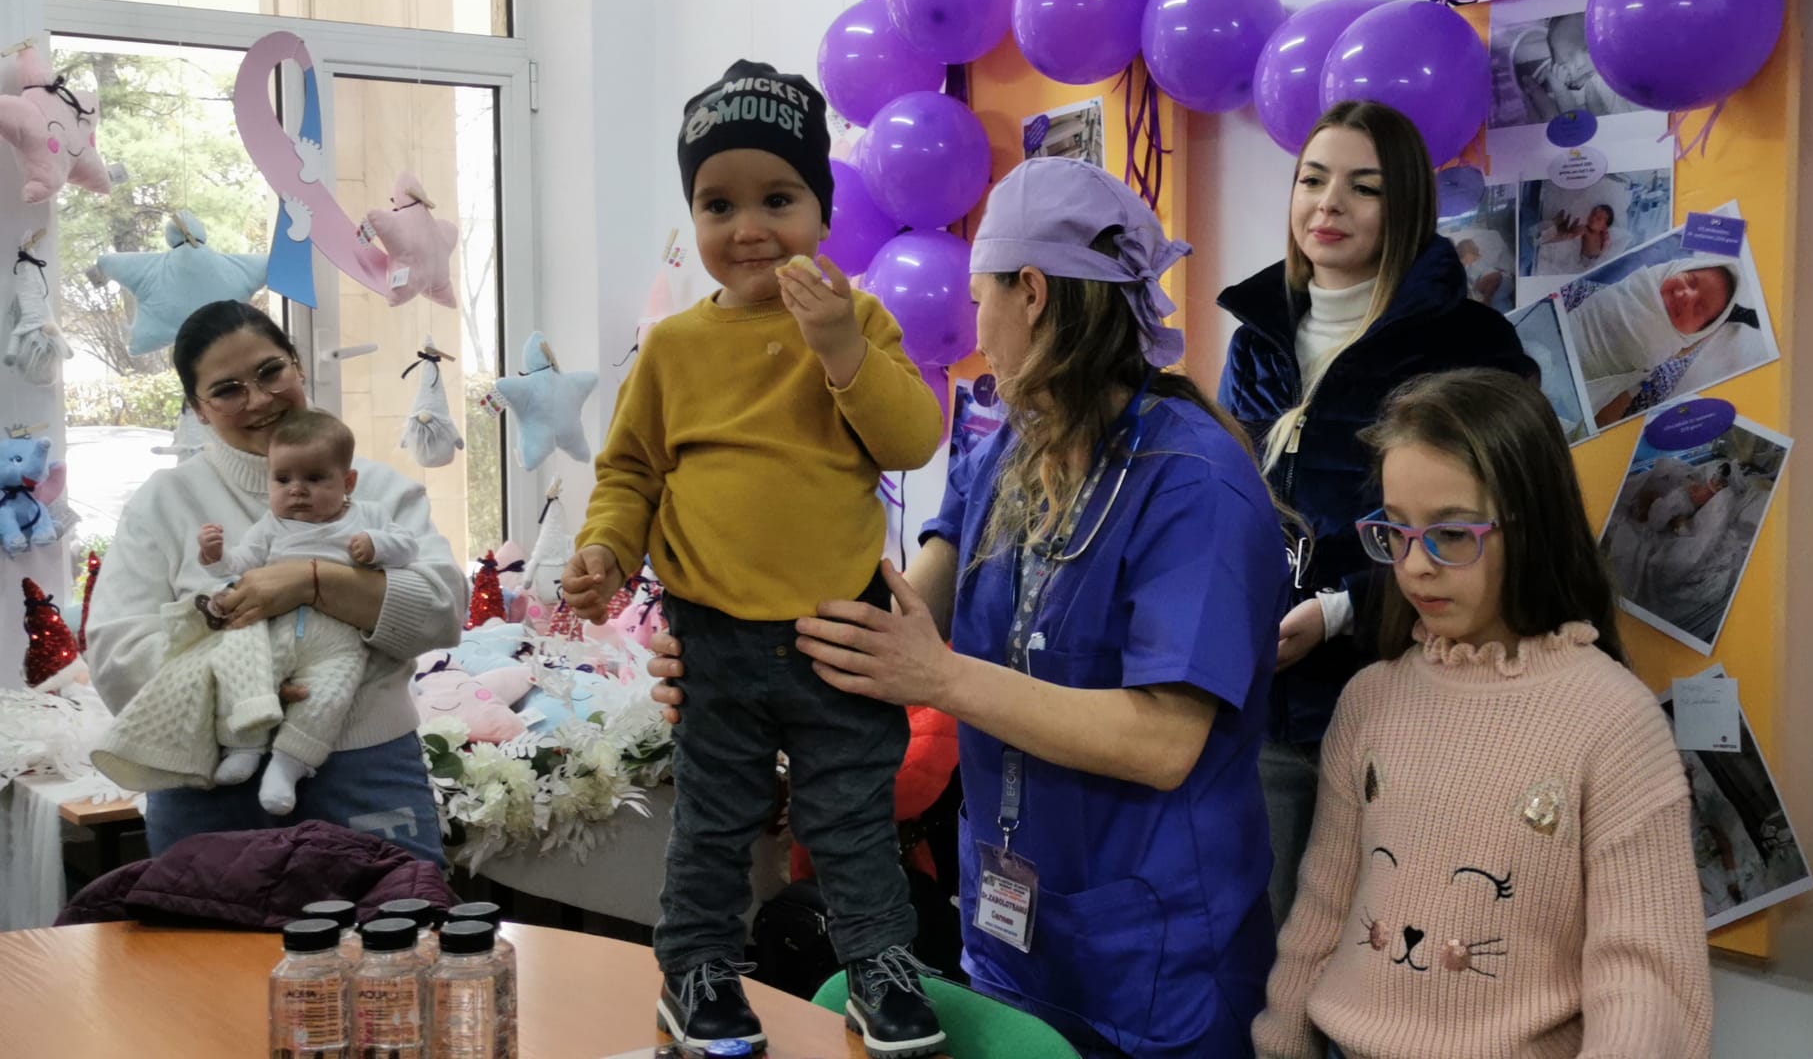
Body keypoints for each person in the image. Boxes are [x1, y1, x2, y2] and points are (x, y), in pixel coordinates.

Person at [651, 157, 1291, 1058]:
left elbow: (1161, 742)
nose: (975, 328)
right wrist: (737, 654)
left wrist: (941, 678)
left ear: (1031, 292)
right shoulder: (1014, 446)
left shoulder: (1194, 485)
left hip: (1152, 962)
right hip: (1010, 935)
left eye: (980, 296)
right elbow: (908, 604)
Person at [559, 60, 945, 1058]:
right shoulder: (674, 349)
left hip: (838, 632)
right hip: (715, 637)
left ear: (823, 210)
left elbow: (912, 439)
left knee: (852, 819)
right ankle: (696, 974)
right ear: (693, 214)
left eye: (778, 199)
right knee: (714, 822)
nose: (748, 227)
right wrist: (605, 548)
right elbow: (630, 472)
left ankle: (881, 972)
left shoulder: (856, 320)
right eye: (717, 203)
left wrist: (840, 347)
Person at [1254, 368, 1712, 1058]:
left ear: (1531, 530)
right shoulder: (1369, 700)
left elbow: (1645, 979)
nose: (1415, 566)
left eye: (1451, 533)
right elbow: (1321, 913)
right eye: (1396, 531)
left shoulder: (1614, 721)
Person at [1216, 100, 1530, 932]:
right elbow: (1226, 503)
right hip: (1267, 703)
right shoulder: (1254, 341)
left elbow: (1498, 533)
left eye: (1364, 187)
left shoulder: (1470, 344)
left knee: (1398, 950)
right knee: (1271, 952)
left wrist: (1342, 609)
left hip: (1410, 696)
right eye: (1312, 180)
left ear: (1407, 207)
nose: (1329, 204)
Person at [87, 300, 464, 865]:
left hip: (366, 768)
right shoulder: (165, 503)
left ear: (298, 366)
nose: (260, 399)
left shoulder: (380, 490)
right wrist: (239, 693)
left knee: (395, 922)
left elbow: (443, 611)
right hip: (206, 779)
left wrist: (312, 582)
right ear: (199, 409)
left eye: (270, 372)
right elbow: (116, 653)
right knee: (209, 928)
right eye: (227, 390)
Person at [92, 410, 419, 817]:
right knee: (245, 672)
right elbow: (239, 563)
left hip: (339, 639)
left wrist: (377, 545)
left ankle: (287, 765)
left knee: (328, 697)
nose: (297, 490)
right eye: (283, 480)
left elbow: (409, 548)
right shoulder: (271, 525)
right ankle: (243, 746)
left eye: (314, 479)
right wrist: (214, 555)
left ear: (348, 482)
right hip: (274, 628)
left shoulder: (368, 517)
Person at [1565, 258, 1760, 425]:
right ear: (1674, 269)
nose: (1688, 296)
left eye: (1699, 308)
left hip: (1653, 367)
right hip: (1583, 310)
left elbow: (1607, 418)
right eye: (1690, 281)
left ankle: (1717, 323)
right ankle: (1722, 316)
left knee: (1679, 359)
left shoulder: (1677, 349)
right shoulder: (1643, 282)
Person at [1532, 202, 1614, 275]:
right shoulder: (1585, 229)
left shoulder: (1603, 236)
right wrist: (1572, 231)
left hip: (1596, 261)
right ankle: (1550, 230)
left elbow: (1604, 250)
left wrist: (1604, 247)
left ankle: (1543, 232)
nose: (1593, 218)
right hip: (1584, 262)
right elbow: (1575, 232)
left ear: (1604, 227)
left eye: (1599, 218)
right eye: (1593, 214)